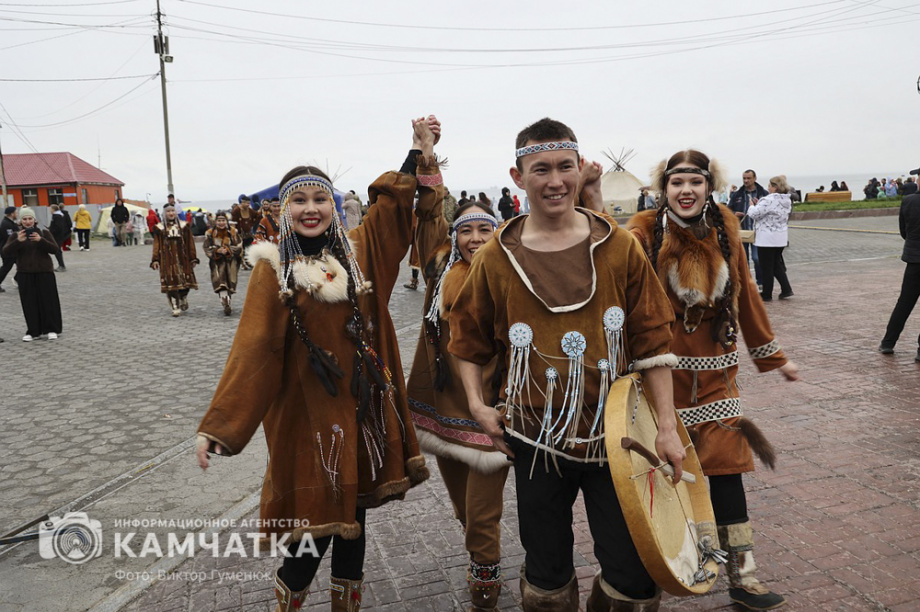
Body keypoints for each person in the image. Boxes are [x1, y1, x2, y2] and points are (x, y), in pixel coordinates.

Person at [195, 116, 442, 612]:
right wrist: (221, 427)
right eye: (299, 201)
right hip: (308, 418)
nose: (311, 209)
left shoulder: (358, 250)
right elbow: (255, 349)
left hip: (363, 408)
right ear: (283, 211)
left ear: (334, 204)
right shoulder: (273, 269)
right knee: (312, 532)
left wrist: (418, 154)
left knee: (354, 522)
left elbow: (393, 212)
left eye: (320, 199)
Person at [449, 118, 683, 611]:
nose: (554, 180)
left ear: (579, 170)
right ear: (518, 177)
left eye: (564, 167)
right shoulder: (496, 256)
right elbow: (466, 341)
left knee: (633, 576)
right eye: (541, 169)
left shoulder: (620, 246)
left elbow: (654, 341)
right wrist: (477, 404)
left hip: (618, 436)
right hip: (537, 438)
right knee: (547, 572)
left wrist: (666, 427)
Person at [628, 150, 799, 611]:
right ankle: (660, 572)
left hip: (718, 375)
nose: (686, 190)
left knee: (726, 471)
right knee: (663, 474)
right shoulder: (642, 232)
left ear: (709, 187)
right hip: (659, 379)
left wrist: (774, 357)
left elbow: (746, 299)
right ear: (663, 189)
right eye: (677, 182)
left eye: (695, 182)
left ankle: (744, 577)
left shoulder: (725, 228)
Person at [406, 201, 509, 611]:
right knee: (464, 508)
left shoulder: (512, 278)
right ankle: (478, 554)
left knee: (483, 513)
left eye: (485, 229)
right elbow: (429, 216)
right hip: (444, 408)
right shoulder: (441, 272)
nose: (476, 239)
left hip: (492, 408)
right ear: (454, 237)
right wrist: (426, 157)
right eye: (467, 231)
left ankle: (485, 584)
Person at [2, 207, 63, 341]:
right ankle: (33, 331)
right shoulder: (15, 235)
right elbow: (6, 252)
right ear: (20, 221)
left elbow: (55, 249)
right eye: (25, 219)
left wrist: (41, 240)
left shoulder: (44, 233)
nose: (28, 222)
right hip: (25, 273)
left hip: (44, 272)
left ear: (34, 220)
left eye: (30, 219)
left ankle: (51, 329)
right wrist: (18, 241)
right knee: (29, 303)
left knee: (48, 302)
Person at [879, 192, 920, 361]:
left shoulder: (908, 201)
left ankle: (888, 342)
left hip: (914, 259)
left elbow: (903, 230)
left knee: (904, 303)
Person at [748, 175, 794, 301]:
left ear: (775, 187)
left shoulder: (767, 200)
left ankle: (767, 294)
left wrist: (752, 206)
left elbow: (754, 214)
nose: (768, 188)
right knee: (776, 265)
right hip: (781, 237)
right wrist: (759, 206)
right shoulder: (787, 200)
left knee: (766, 267)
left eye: (769, 185)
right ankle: (786, 289)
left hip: (766, 238)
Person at [150, 199, 198, 316]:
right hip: (167, 260)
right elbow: (156, 244)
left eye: (173, 211)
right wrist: (155, 259)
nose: (171, 213)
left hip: (183, 258)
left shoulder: (184, 226)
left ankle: (183, 297)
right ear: (164, 213)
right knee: (171, 284)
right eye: (168, 211)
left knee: (186, 282)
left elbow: (190, 242)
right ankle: (175, 306)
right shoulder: (160, 228)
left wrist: (193, 257)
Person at [729, 170, 768, 288]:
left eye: (748, 178)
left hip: (758, 232)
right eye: (744, 178)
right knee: (743, 259)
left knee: (757, 258)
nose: (746, 181)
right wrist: (734, 213)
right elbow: (728, 209)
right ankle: (745, 283)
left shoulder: (763, 193)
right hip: (742, 231)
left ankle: (760, 282)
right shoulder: (737, 194)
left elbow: (769, 211)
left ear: (755, 178)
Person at [203, 210, 242, 315]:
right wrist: (217, 251)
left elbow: (239, 246)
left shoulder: (233, 232)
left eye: (223, 220)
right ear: (215, 221)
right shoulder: (210, 233)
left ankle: (228, 300)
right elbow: (206, 247)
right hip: (217, 263)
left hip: (231, 262)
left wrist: (228, 250)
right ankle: (225, 304)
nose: (221, 223)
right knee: (221, 283)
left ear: (227, 221)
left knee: (230, 283)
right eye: (219, 220)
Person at [232, 196, 258, 270]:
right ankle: (242, 263)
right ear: (242, 202)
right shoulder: (236, 210)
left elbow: (256, 215)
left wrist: (251, 223)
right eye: (246, 203)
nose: (248, 205)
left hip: (248, 233)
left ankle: (250, 262)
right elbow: (233, 221)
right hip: (240, 233)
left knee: (250, 247)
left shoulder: (250, 210)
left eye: (249, 203)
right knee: (241, 249)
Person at [0, 206, 19, 292]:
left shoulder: (10, 222)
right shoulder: (6, 224)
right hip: (8, 250)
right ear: (12, 214)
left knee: (22, 264)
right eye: (16, 212)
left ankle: (19, 279)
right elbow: (10, 237)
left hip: (13, 250)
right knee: (6, 267)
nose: (17, 214)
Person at [48, 204, 69, 272]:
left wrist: (51, 231)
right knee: (57, 250)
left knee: (57, 250)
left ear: (53, 209)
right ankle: (61, 265)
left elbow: (58, 227)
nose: (50, 210)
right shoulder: (59, 215)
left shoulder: (57, 216)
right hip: (59, 235)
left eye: (50, 209)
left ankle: (62, 266)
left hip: (57, 236)